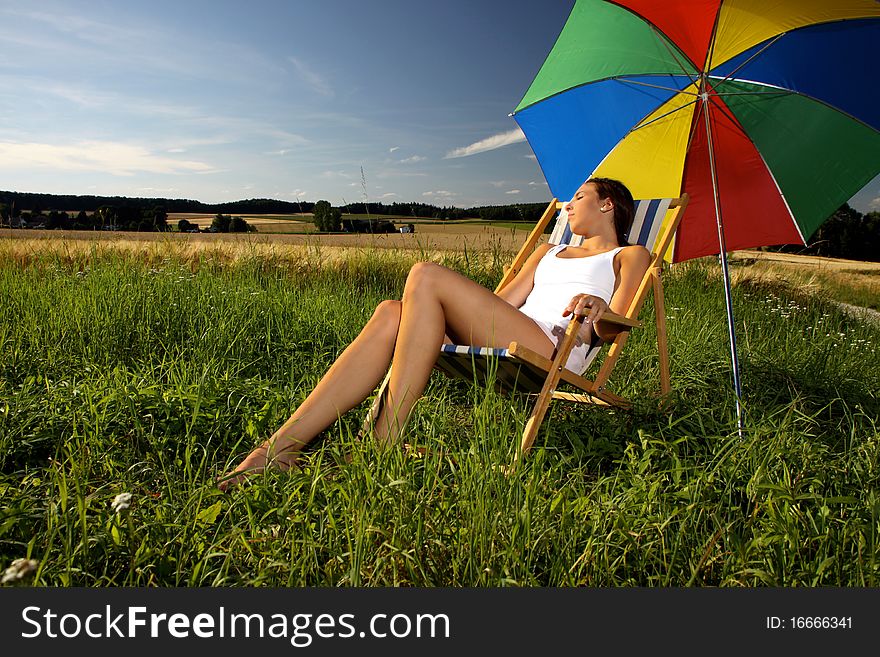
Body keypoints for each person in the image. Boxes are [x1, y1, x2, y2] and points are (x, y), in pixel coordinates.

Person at [217, 178, 650, 490]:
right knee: (391, 313)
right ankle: (279, 447)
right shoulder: (547, 251)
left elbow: (618, 321)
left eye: (579, 197)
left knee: (424, 273)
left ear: (608, 204)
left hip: (556, 345)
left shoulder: (630, 254)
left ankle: (382, 443)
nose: (567, 206)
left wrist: (598, 308)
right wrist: (456, 308)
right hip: (513, 330)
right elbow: (502, 302)